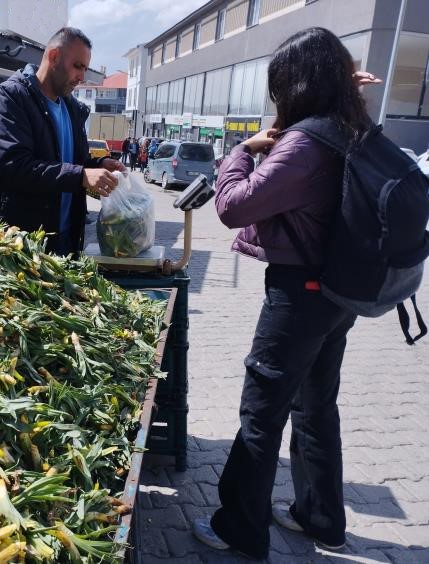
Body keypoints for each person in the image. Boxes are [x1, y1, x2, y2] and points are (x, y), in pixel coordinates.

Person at [191, 28, 376, 558]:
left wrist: (240, 152)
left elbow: (233, 208)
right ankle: (319, 517)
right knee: (317, 405)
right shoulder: (348, 125)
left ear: (296, 83)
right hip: (340, 290)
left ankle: (240, 529)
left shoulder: (305, 142)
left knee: (262, 409)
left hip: (300, 294)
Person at [0, 27, 125, 256]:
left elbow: (73, 161)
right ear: (54, 56)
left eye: (85, 69)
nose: (82, 77)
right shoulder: (11, 98)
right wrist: (81, 176)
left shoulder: (72, 108)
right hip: (19, 246)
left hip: (65, 238)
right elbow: (15, 166)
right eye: (77, 66)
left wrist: (99, 166)